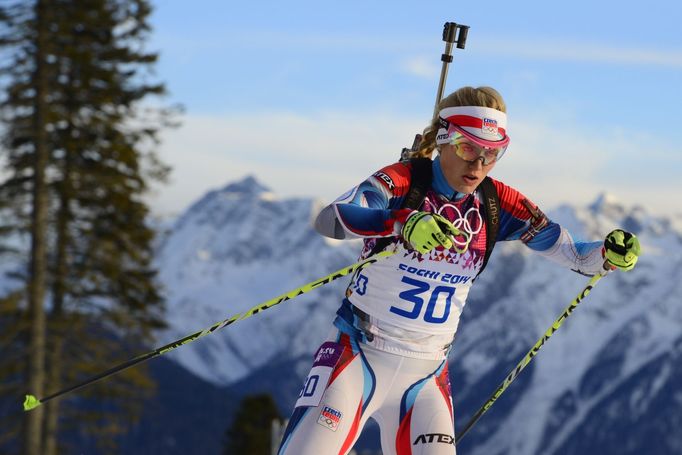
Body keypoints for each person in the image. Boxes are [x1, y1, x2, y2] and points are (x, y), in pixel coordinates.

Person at [276, 86, 640, 455]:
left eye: (493, 153)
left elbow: (576, 256)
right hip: (357, 355)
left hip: (427, 375)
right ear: (444, 140)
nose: (479, 165)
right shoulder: (404, 181)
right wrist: (400, 221)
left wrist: (608, 255)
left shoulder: (498, 204)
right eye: (468, 149)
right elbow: (330, 219)